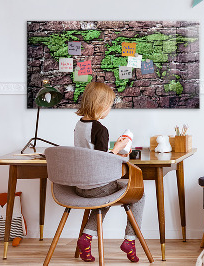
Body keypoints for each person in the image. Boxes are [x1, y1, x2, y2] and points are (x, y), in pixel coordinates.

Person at [74, 82, 144, 263]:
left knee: (104, 197)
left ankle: (86, 238)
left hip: (80, 186)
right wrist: (119, 148)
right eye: (110, 105)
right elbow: (102, 161)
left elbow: (91, 154)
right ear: (101, 105)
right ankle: (130, 240)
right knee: (139, 194)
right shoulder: (100, 129)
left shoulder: (79, 125)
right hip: (97, 186)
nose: (109, 109)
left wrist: (114, 149)